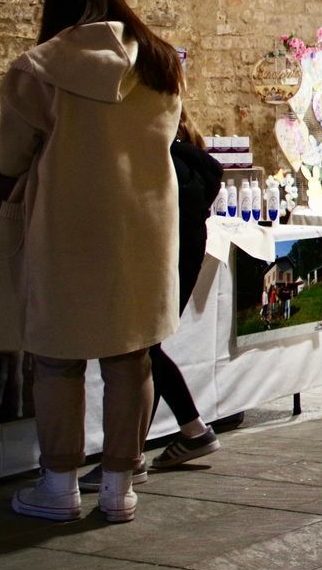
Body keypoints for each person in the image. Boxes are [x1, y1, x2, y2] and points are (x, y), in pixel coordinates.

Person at [0, 0, 181, 523]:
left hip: (65, 224)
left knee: (58, 358)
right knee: (129, 354)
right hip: (143, 225)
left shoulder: (40, 67)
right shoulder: (160, 63)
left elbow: (9, 157)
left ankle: (59, 486)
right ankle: (119, 488)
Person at [79, 110, 225, 492]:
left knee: (138, 349)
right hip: (183, 252)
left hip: (157, 255)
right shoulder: (193, 161)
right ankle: (174, 438)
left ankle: (133, 458)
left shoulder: (158, 161)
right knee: (145, 348)